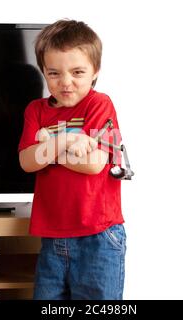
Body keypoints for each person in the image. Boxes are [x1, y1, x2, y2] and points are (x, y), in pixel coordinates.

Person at [18, 19, 126, 300]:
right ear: (43, 71)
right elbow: (27, 162)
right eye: (54, 73)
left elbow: (93, 164)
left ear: (95, 71)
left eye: (78, 72)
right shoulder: (36, 110)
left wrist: (47, 145)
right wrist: (66, 140)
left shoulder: (100, 105)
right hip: (52, 234)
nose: (65, 82)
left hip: (98, 235)